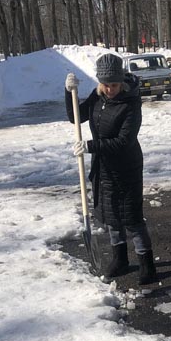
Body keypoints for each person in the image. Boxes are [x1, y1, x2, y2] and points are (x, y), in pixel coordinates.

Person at [65, 52, 157, 286]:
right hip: (103, 166)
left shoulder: (131, 103)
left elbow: (124, 141)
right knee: (111, 216)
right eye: (105, 85)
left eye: (114, 85)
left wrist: (90, 146)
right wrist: (69, 93)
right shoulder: (98, 98)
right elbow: (76, 117)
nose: (110, 89)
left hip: (126, 167)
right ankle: (120, 259)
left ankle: (147, 265)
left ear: (122, 82)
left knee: (131, 218)